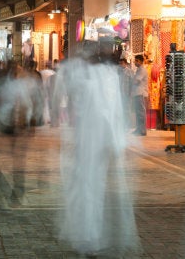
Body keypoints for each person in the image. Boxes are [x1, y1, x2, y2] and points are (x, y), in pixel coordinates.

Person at [55, 54, 139, 256]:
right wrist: (116, 141)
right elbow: (110, 113)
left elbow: (99, 111)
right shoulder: (105, 78)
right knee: (91, 188)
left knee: (88, 187)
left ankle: (88, 236)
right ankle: (88, 236)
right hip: (94, 142)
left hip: (92, 142)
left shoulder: (95, 78)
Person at [132, 54, 148, 136]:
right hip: (137, 93)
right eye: (135, 60)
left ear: (141, 61)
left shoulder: (142, 70)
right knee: (138, 112)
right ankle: (139, 129)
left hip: (140, 93)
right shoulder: (138, 70)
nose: (135, 62)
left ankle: (142, 130)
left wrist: (132, 79)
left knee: (141, 113)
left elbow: (136, 81)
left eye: (137, 61)